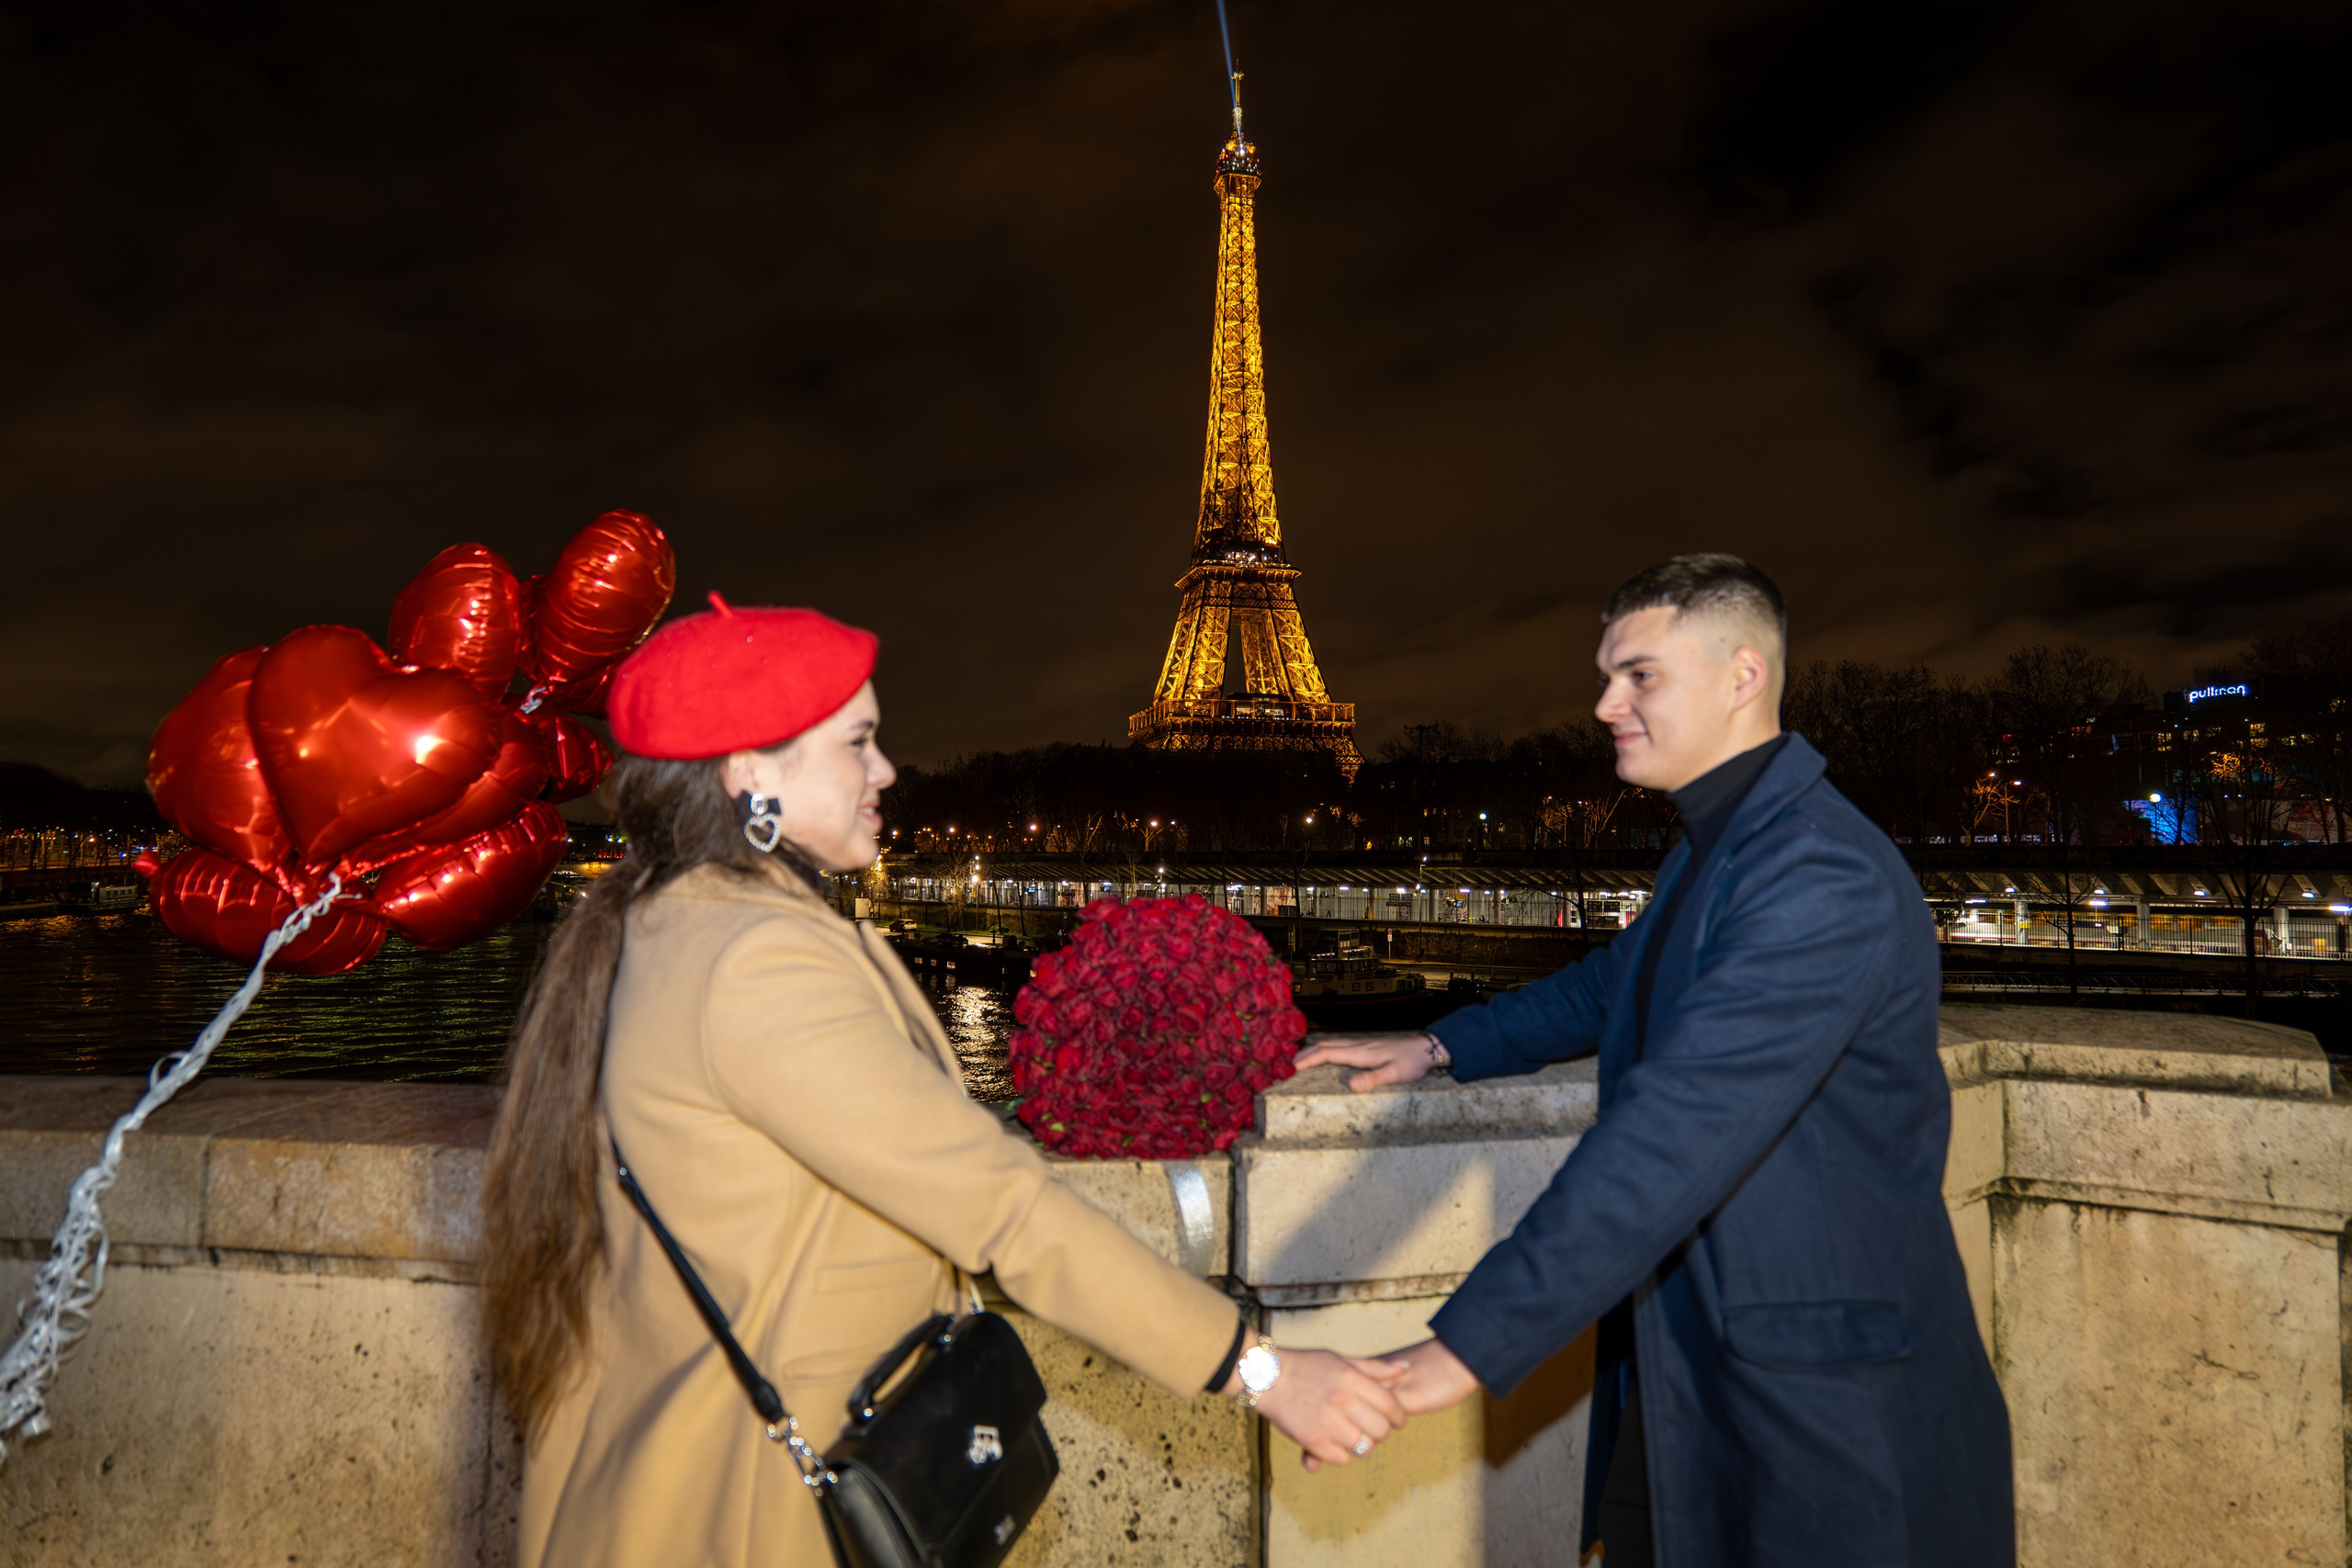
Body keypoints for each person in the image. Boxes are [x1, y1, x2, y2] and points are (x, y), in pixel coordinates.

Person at [481, 595, 1407, 1568]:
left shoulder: (672, 922)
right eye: (858, 743)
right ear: (749, 772)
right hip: (767, 1506)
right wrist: (1261, 1370)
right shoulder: (753, 957)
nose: (886, 771)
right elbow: (1004, 1214)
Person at [1300, 555, 2014, 1567]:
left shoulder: (1818, 870)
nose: (1602, 705)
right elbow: (1612, 984)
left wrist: (1460, 1349)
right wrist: (1435, 1042)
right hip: (1709, 1361)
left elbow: (1675, 1130)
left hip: (1821, 1403)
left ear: (1740, 677)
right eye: (1606, 675)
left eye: (1637, 675)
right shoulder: (1721, 846)